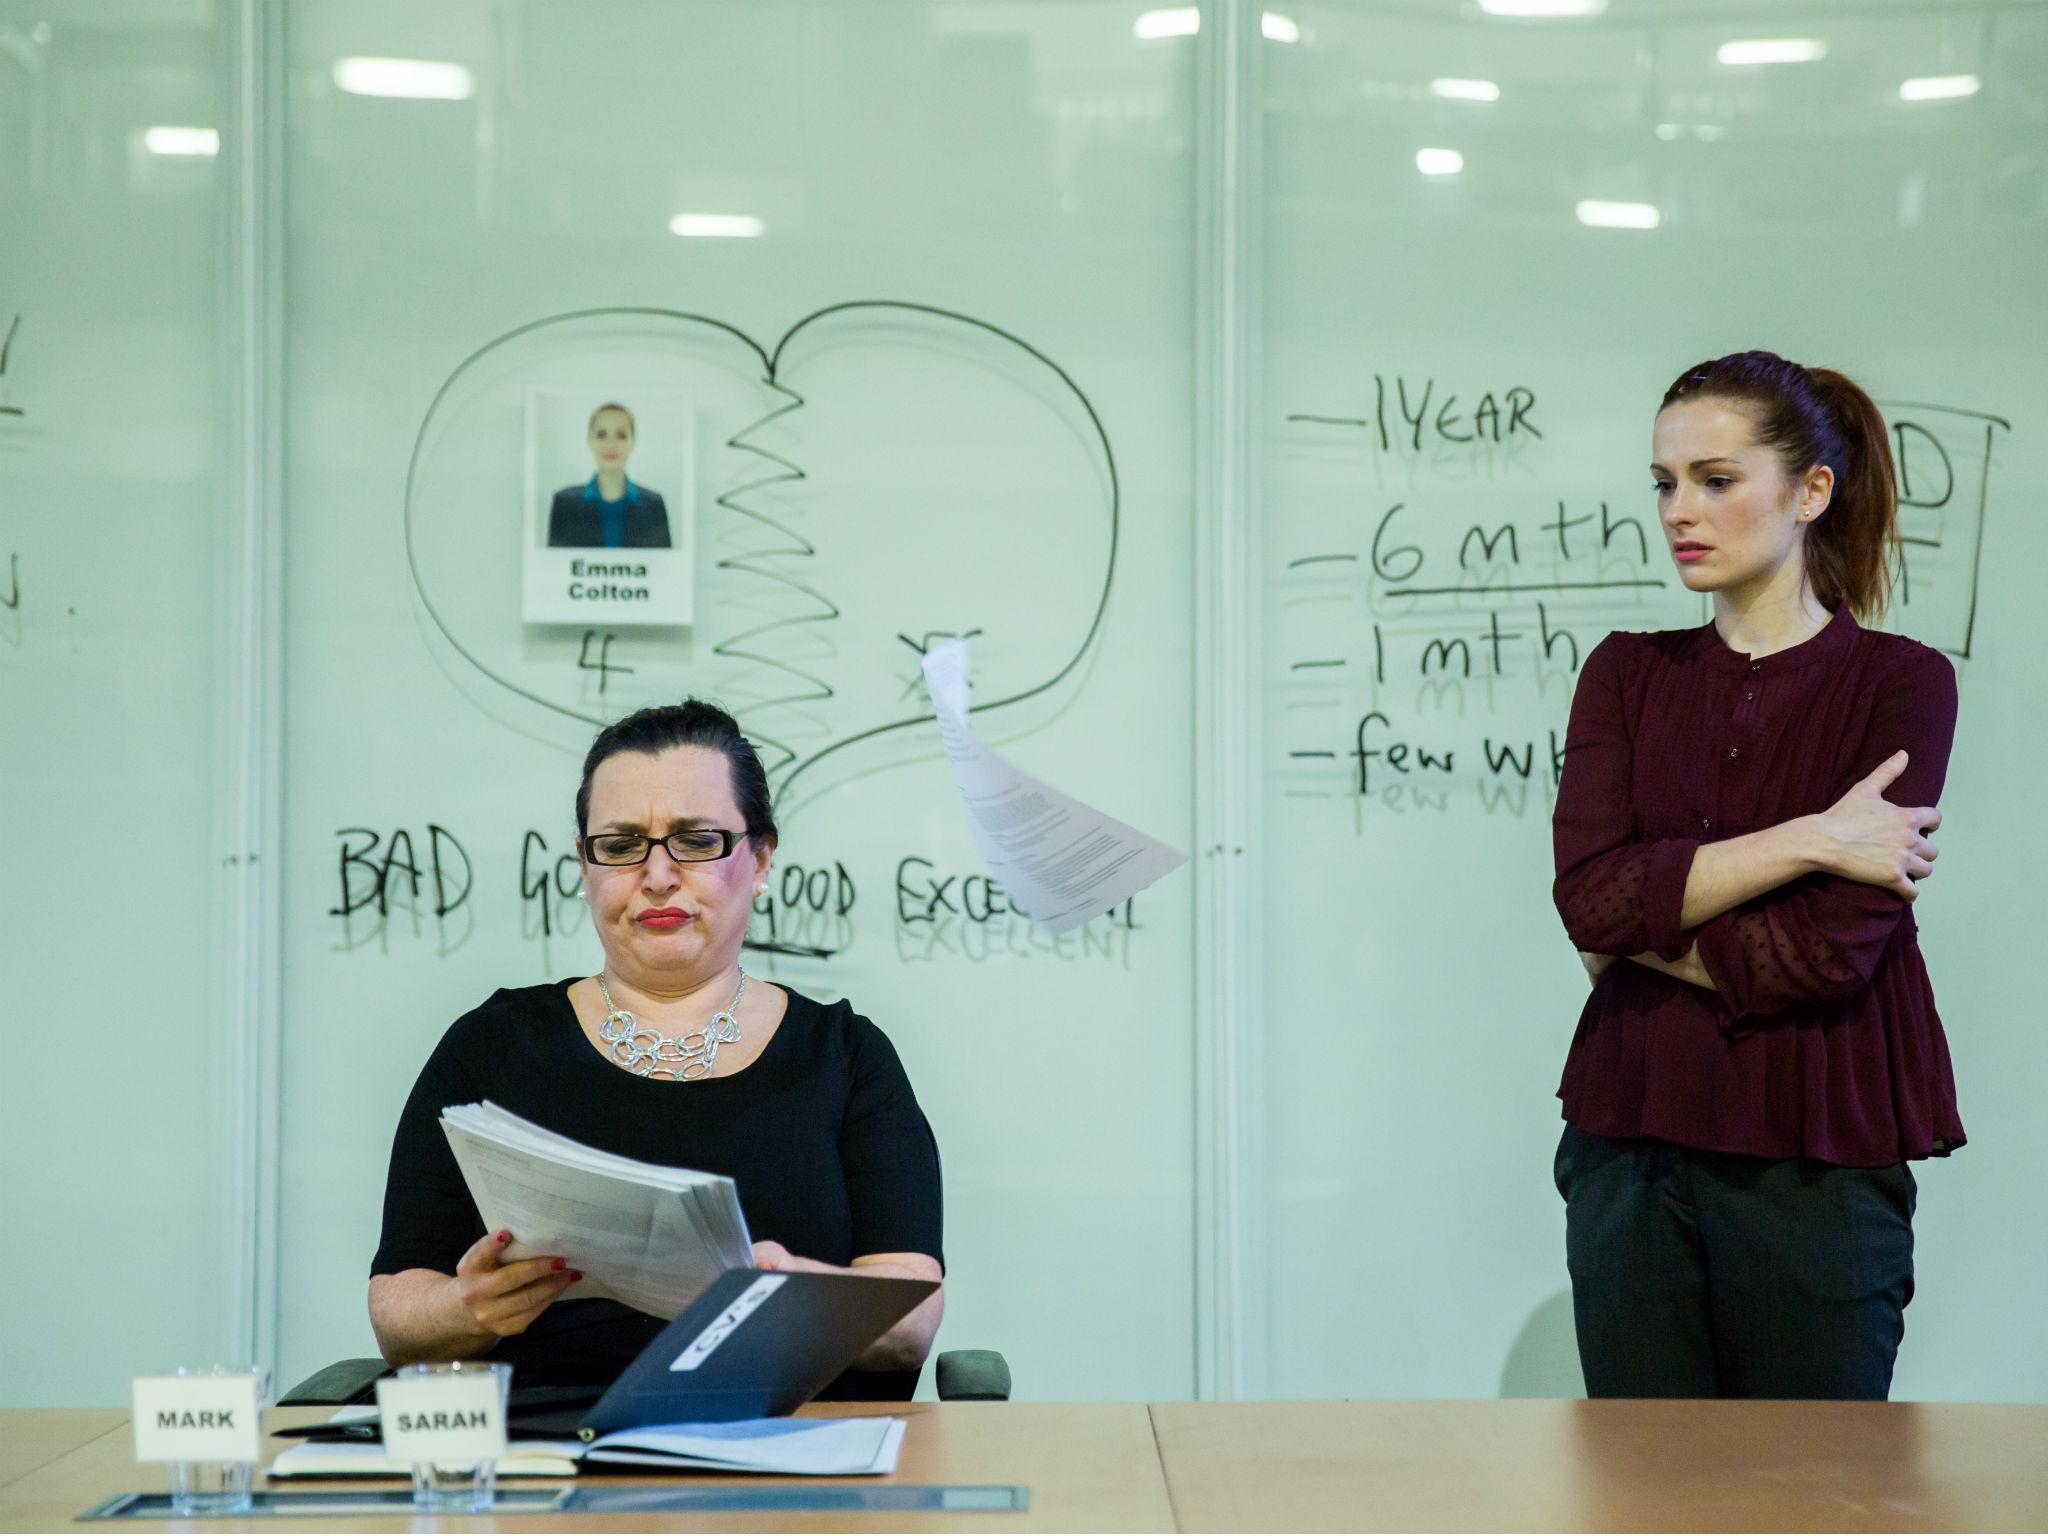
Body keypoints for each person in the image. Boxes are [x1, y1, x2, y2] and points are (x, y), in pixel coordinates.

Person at [1550, 350, 1962, 1400]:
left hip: (1814, 1160)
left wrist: (1641, 924)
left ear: (1809, 491)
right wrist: (1812, 840)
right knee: (1640, 1496)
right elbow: (1582, 897)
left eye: (1714, 479)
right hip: (1626, 1147)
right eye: (1663, 482)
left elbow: (1822, 955)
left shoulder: (1900, 683)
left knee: (1812, 1499)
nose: (1678, 509)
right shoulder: (1624, 672)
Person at [368, 701, 943, 1396]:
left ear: (760, 859)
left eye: (696, 841)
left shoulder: (846, 1057)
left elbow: (912, 1318)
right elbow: (398, 1313)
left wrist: (793, 1291)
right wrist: (468, 1307)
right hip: (548, 1465)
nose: (659, 876)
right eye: (621, 844)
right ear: (586, 863)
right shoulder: (492, 1045)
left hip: (795, 1465)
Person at [545, 402, 672, 548]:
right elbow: (554, 566)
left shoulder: (654, 505)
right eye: (601, 435)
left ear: (633, 442)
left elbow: (663, 567)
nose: (611, 445)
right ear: (590, 441)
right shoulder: (564, 503)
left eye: (621, 435)